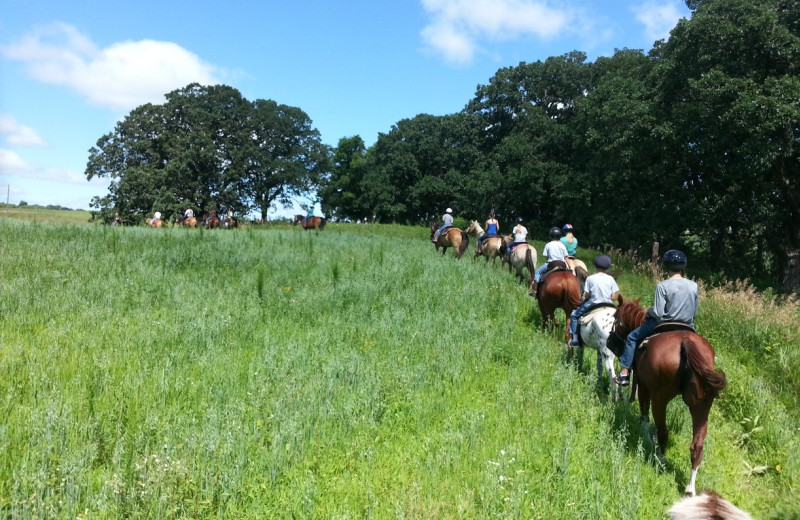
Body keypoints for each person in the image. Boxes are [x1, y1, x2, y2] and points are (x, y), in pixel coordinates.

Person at [613, 249, 698, 386]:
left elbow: (658, 313)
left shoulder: (663, 286)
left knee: (632, 338)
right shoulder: (694, 285)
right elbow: (694, 311)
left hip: (665, 324)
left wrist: (649, 311)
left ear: (667, 267)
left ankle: (624, 373)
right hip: (687, 325)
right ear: (683, 266)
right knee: (698, 343)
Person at [567, 255, 619, 346]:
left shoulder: (590, 278)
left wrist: (584, 297)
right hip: (609, 304)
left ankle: (575, 339)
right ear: (607, 267)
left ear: (596, 266)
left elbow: (587, 295)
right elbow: (613, 297)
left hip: (593, 304)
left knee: (574, 315)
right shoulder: (610, 279)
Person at [530, 227, 569, 298]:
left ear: (551, 235)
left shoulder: (548, 244)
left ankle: (534, 290)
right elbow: (566, 256)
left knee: (537, 273)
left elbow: (546, 257)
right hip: (562, 264)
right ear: (560, 236)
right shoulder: (562, 245)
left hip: (552, 264)